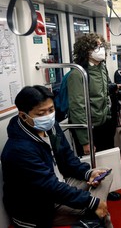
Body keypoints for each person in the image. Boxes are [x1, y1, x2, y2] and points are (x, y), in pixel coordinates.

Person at [1, 85, 113, 228]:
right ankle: (93, 215)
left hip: (60, 185)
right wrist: (92, 202)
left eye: (51, 110)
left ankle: (92, 214)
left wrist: (88, 173)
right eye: (41, 113)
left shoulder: (52, 127)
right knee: (101, 213)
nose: (48, 116)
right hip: (38, 207)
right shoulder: (19, 149)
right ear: (23, 116)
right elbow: (50, 187)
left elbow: (68, 157)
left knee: (104, 174)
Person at [67, 32, 121, 201]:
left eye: (101, 46)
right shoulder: (78, 74)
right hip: (89, 126)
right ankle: (91, 196)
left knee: (106, 157)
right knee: (90, 162)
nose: (101, 50)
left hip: (104, 121)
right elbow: (78, 107)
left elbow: (103, 93)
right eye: (96, 47)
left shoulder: (101, 67)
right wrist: (85, 140)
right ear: (87, 51)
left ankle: (106, 189)